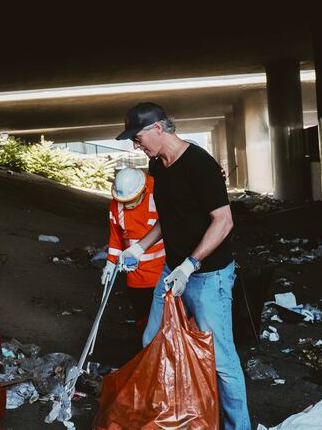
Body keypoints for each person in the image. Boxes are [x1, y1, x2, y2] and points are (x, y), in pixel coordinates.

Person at [115, 102, 250, 430]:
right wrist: (139, 247)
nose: (136, 145)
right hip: (172, 270)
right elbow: (169, 216)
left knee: (220, 359)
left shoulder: (199, 165)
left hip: (209, 276)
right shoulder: (158, 165)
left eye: (138, 137)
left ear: (159, 128)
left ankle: (238, 427)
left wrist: (190, 265)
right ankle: (173, 415)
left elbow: (223, 221)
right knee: (151, 342)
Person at [101, 168, 165, 340]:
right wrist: (111, 263)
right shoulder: (116, 204)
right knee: (143, 319)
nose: (127, 205)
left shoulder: (159, 192)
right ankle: (146, 353)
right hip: (136, 276)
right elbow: (116, 237)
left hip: (163, 273)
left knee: (166, 320)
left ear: (143, 190)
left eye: (131, 200)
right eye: (123, 200)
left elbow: (171, 226)